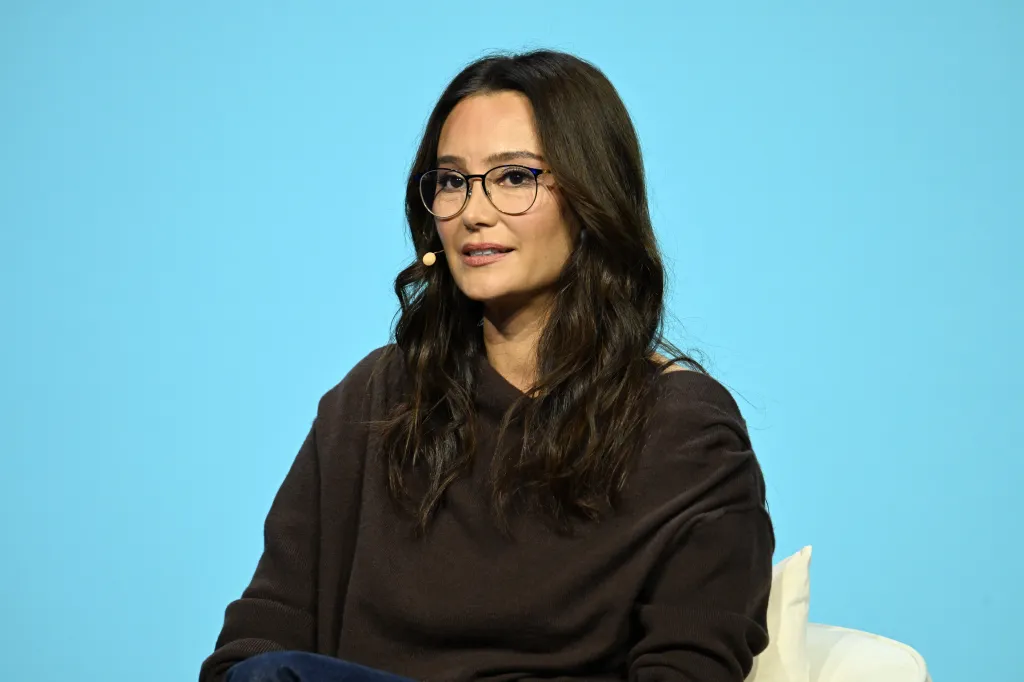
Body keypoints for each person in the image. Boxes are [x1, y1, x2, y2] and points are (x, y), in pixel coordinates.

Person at [200, 49, 774, 682]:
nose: (474, 211)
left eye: (515, 177)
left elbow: (690, 666)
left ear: (592, 197)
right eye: (451, 181)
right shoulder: (375, 400)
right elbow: (259, 635)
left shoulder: (685, 431)